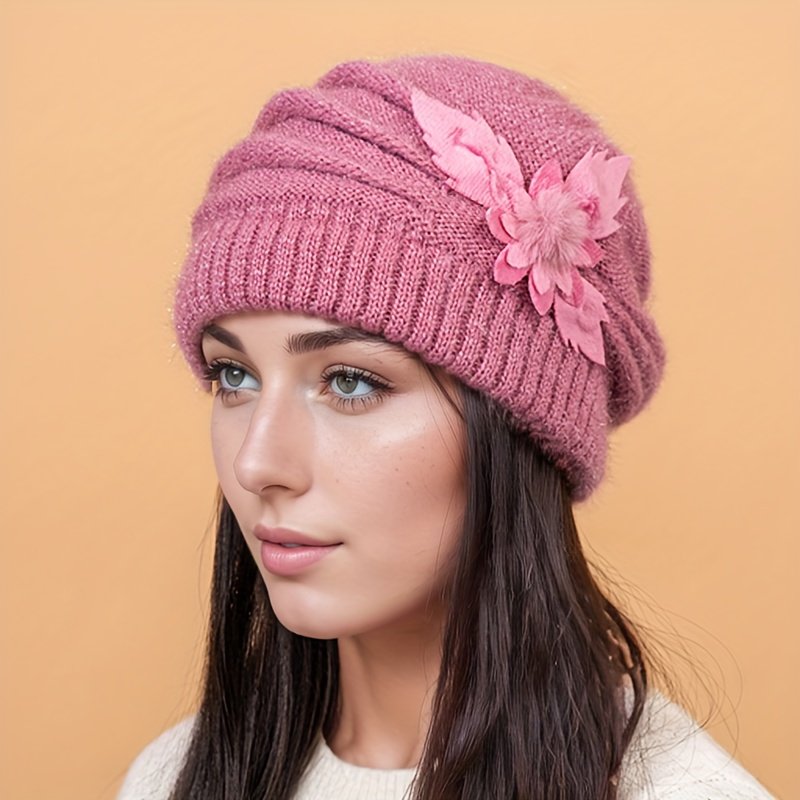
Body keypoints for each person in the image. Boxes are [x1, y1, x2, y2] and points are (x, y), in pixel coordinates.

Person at [118, 54, 776, 799]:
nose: (257, 464)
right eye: (233, 377)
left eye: (350, 382)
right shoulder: (169, 779)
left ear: (517, 426)